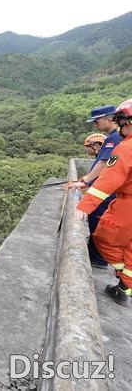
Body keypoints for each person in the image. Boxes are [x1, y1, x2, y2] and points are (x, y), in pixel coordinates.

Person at [75, 99, 132, 307]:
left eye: (121, 121)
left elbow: (108, 179)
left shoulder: (124, 146)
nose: (119, 126)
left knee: (104, 238)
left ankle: (122, 277)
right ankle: (125, 286)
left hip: (127, 204)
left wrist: (83, 205)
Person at [72, 106, 123, 268]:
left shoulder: (114, 138)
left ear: (110, 119)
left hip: (106, 194)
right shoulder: (116, 137)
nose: (95, 124)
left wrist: (85, 180)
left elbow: (103, 164)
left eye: (97, 121)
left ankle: (98, 259)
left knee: (98, 223)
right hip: (108, 192)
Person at [77, 133, 108, 268]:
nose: (86, 150)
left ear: (96, 146)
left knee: (98, 229)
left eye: (87, 147)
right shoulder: (100, 159)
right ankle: (95, 257)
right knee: (94, 228)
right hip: (100, 198)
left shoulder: (104, 161)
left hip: (102, 200)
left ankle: (98, 260)